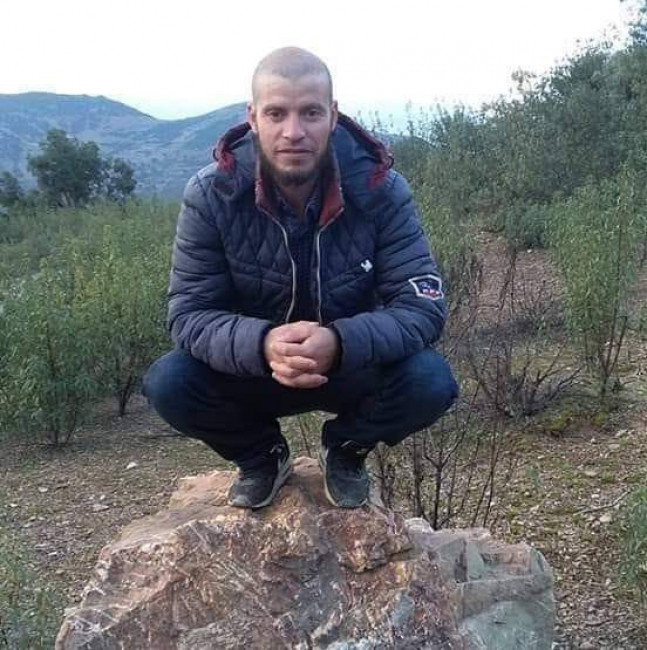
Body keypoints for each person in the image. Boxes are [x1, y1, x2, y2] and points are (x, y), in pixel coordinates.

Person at [143, 47, 458, 510]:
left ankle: (346, 447)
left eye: (310, 112)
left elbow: (422, 306)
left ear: (333, 115)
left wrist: (339, 342)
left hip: (349, 365)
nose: (293, 131)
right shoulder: (211, 195)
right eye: (277, 113)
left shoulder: (381, 190)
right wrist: (263, 344)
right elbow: (189, 314)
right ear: (253, 118)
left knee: (431, 380)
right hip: (255, 369)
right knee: (170, 381)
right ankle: (262, 456)